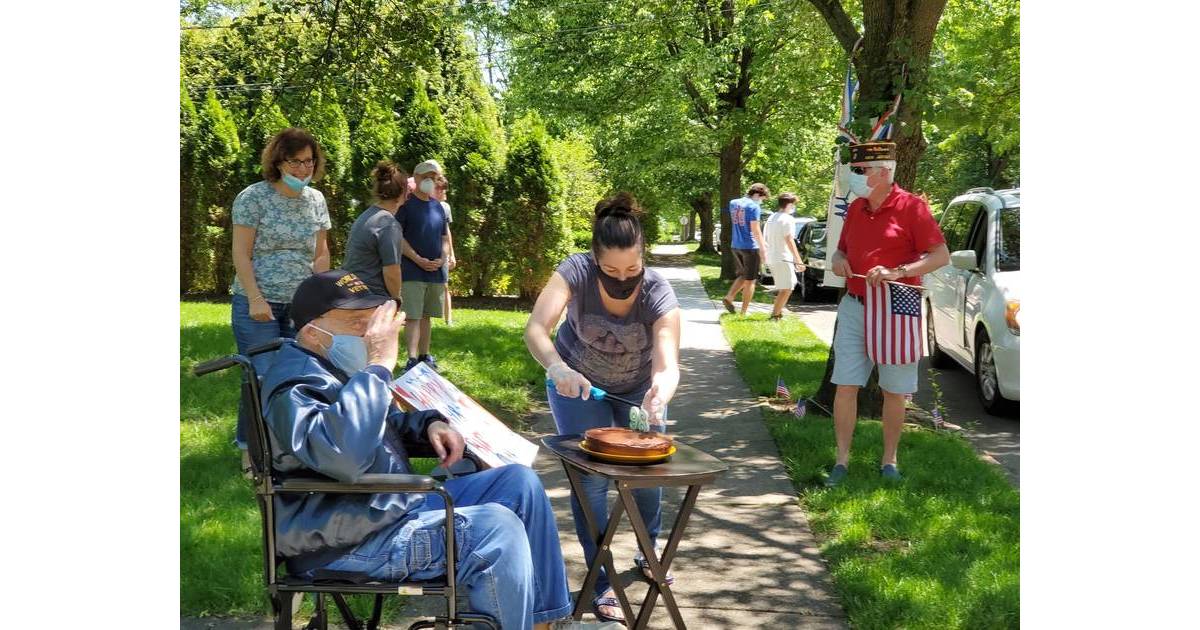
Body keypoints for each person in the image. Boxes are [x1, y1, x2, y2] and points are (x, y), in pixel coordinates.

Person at [260, 269, 616, 630]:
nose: (369, 334)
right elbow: (343, 453)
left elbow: (374, 426)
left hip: (377, 511)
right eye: (357, 323)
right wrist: (378, 367)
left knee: (518, 482)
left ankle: (545, 623)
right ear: (312, 332)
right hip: (345, 542)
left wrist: (428, 424)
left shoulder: (328, 365)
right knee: (497, 528)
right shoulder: (294, 385)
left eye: (371, 322)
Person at [524, 193, 682, 624]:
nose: (622, 278)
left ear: (643, 257)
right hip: (576, 385)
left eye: (632, 269)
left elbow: (668, 362)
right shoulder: (575, 272)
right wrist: (557, 368)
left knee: (647, 477)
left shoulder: (658, 291)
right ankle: (600, 579)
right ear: (595, 260)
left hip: (638, 389)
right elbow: (536, 328)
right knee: (591, 483)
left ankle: (649, 550)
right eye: (611, 271)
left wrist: (660, 392)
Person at [827, 141, 950, 486]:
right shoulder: (856, 208)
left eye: (861, 170)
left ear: (884, 172)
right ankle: (841, 461)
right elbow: (841, 251)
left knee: (895, 390)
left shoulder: (912, 207)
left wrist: (898, 271)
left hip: (897, 306)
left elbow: (940, 255)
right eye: (855, 170)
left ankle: (889, 461)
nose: (855, 176)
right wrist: (837, 260)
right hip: (855, 305)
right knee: (845, 385)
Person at [230, 127, 331, 449]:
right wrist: (256, 299)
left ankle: (286, 449)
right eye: (295, 162)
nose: (303, 169)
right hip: (259, 304)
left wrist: (320, 299)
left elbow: (321, 253)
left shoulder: (316, 200)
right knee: (261, 377)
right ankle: (251, 450)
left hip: (301, 305)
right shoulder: (253, 198)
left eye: (309, 161)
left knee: (296, 377)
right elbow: (241, 253)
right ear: (278, 162)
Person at [397, 159, 451, 373]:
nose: (430, 181)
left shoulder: (438, 207)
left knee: (427, 316)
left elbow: (444, 237)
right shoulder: (406, 206)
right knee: (413, 316)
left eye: (434, 177)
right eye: (426, 177)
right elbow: (398, 237)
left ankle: (424, 355)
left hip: (434, 272)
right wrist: (417, 258)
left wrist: (442, 258)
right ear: (417, 178)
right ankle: (411, 359)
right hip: (412, 271)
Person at [342, 161, 409, 299]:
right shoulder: (388, 224)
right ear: (403, 191)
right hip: (371, 298)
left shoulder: (367, 216)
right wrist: (397, 300)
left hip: (351, 293)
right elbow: (391, 272)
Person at [721, 183, 770, 315]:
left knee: (743, 275)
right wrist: (763, 248)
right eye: (762, 198)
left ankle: (729, 297)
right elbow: (755, 229)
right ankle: (743, 312)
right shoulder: (754, 207)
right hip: (750, 247)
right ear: (757, 194)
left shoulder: (733, 203)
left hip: (736, 245)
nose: (761, 201)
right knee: (750, 280)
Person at [763, 192, 806, 320]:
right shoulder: (788, 219)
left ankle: (777, 312)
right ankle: (775, 314)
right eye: (793, 204)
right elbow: (789, 239)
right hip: (782, 257)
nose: (794, 207)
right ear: (789, 204)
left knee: (786, 285)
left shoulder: (772, 218)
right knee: (787, 287)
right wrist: (798, 259)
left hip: (772, 257)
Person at [433, 174, 456, 326]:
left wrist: (451, 254)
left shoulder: (445, 207)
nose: (441, 191)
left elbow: (447, 232)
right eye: (438, 188)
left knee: (444, 284)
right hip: (427, 250)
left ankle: (449, 320)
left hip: (442, 251)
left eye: (443, 189)